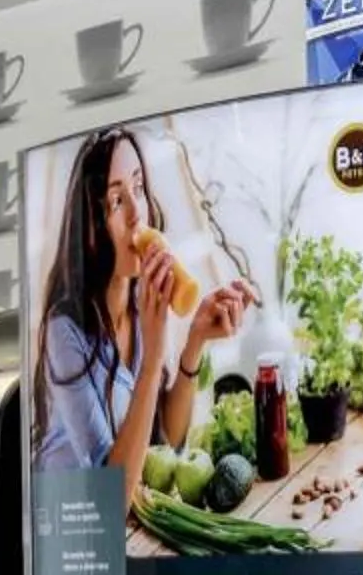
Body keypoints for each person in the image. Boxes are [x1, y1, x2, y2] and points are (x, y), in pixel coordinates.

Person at [32, 127, 259, 473]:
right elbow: (110, 493)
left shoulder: (140, 305)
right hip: (75, 516)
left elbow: (166, 436)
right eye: (117, 200)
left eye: (138, 189)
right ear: (93, 226)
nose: (137, 215)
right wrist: (153, 355)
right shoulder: (63, 331)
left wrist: (194, 340)